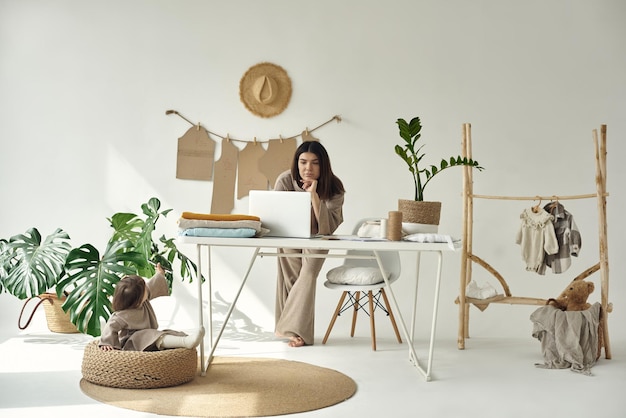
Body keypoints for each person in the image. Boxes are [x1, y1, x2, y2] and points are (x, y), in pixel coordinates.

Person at [273, 141, 345, 347]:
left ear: (323, 165)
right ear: (296, 163)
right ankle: (297, 333)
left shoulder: (335, 187)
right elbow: (275, 213)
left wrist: (313, 195)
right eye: (303, 162)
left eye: (314, 163)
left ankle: (286, 327)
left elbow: (327, 228)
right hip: (288, 235)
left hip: (319, 238)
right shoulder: (285, 180)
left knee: (308, 273)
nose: (308, 168)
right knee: (291, 278)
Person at [99, 263, 204, 351]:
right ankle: (185, 342)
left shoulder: (141, 298)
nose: (147, 288)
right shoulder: (121, 316)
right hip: (133, 342)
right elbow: (110, 326)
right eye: (144, 288)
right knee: (150, 335)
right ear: (137, 301)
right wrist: (107, 343)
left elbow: (153, 285)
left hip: (150, 336)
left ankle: (185, 339)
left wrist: (159, 273)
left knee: (167, 333)